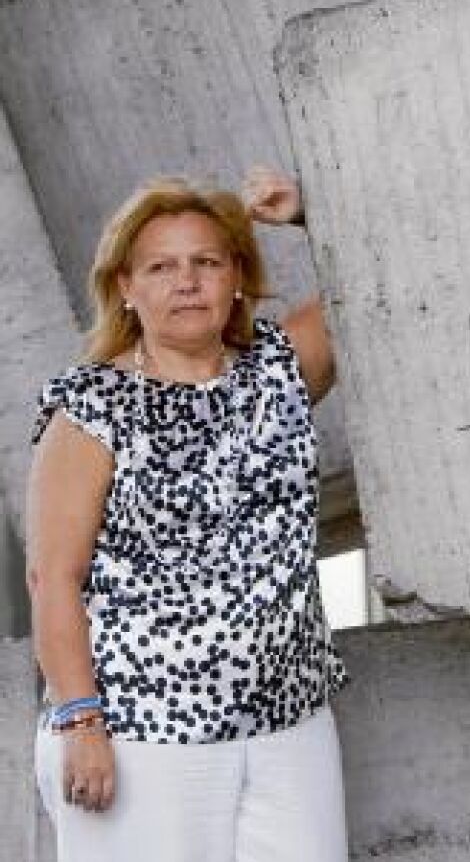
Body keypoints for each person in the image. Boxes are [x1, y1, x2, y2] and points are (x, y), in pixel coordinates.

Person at [26, 168, 348, 860]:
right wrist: (80, 721)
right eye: (162, 267)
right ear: (126, 286)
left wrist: (309, 213)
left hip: (289, 721)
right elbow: (53, 577)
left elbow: (375, 281)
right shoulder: (92, 405)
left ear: (237, 277)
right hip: (142, 732)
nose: (187, 282)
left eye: (207, 262)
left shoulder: (277, 370)